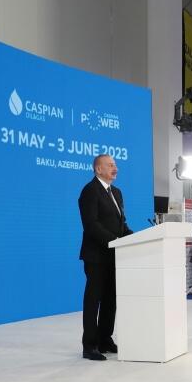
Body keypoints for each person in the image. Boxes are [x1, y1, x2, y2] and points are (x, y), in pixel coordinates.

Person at [78, 154, 134, 361]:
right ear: (98, 169)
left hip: (114, 255)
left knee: (111, 299)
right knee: (94, 300)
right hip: (96, 256)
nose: (115, 168)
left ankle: (105, 339)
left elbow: (121, 225)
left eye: (115, 165)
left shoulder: (116, 192)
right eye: (110, 165)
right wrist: (115, 241)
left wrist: (134, 237)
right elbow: (91, 225)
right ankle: (90, 345)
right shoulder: (90, 191)